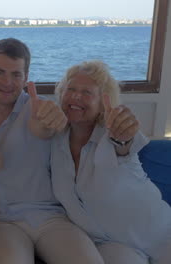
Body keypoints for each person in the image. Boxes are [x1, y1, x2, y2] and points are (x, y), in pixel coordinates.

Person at [0, 38, 105, 264]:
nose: (7, 82)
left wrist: (50, 120)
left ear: (26, 77)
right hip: (1, 222)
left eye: (16, 75)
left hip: (50, 217)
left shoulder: (38, 109)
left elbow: (42, 128)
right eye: (0, 72)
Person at [50, 60, 171, 264]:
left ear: (102, 103)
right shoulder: (54, 141)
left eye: (87, 92)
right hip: (109, 245)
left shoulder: (113, 134)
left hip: (159, 233)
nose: (76, 96)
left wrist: (123, 135)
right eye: (70, 89)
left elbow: (124, 146)